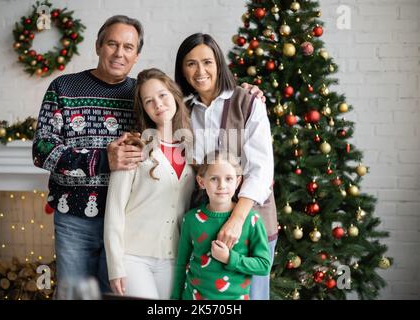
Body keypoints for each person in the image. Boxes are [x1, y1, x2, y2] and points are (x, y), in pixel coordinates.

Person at [32, 15, 145, 296]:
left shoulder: (141, 95)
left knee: (118, 295)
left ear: (136, 56)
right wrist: (102, 160)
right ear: (98, 46)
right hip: (74, 220)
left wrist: (240, 93)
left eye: (128, 47)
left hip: (126, 222)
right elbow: (42, 150)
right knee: (75, 294)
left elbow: (174, 122)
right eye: (112, 43)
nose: (120, 53)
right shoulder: (64, 88)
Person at [174, 33, 278, 300]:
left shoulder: (248, 102)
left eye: (207, 62)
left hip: (250, 220)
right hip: (203, 222)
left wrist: (237, 220)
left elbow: (262, 169)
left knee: (252, 296)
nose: (200, 71)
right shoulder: (182, 111)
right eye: (191, 63)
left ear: (219, 63)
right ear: (182, 70)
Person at [104, 68, 195, 299]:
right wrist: (116, 266)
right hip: (132, 258)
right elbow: (114, 210)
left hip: (174, 258)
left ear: (174, 95)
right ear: (144, 108)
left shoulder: (192, 151)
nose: (158, 104)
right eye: (149, 100)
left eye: (162, 95)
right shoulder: (134, 148)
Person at [171, 151, 271, 300]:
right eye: (214, 179)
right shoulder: (191, 219)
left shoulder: (252, 221)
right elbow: (181, 264)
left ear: (238, 182)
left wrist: (230, 258)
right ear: (201, 182)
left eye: (229, 179)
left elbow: (264, 265)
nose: (222, 185)